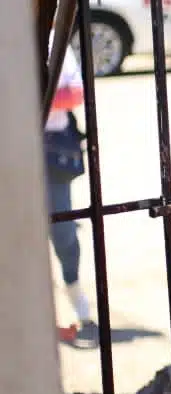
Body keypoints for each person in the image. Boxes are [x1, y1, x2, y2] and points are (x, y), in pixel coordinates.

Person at [45, 39, 93, 342]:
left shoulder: (53, 39)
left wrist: (29, 96)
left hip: (50, 149)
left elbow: (76, 92)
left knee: (62, 231)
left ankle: (76, 297)